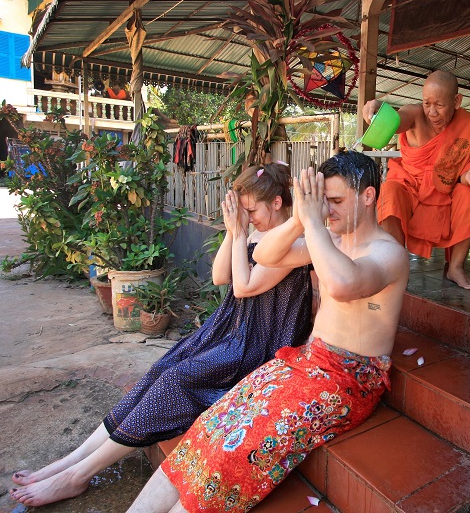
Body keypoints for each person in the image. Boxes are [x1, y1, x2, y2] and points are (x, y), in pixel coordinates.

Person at [10, 164, 313, 507]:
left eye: (252, 210)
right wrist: (233, 233)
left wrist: (240, 235)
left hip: (256, 344)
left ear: (276, 203)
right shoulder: (254, 233)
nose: (247, 217)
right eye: (242, 210)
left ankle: (77, 475)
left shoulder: (292, 244)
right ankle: (71, 462)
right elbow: (219, 277)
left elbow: (242, 288)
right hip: (230, 330)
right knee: (161, 369)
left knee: (174, 382)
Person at [125, 151, 409, 513]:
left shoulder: (389, 253)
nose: (329, 211)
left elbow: (342, 284)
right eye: (325, 202)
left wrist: (315, 226)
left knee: (240, 448)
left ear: (368, 197)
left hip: (348, 380)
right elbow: (267, 256)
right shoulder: (333, 240)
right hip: (308, 361)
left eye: (336, 201)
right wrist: (298, 223)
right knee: (212, 424)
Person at [362, 70, 470, 289]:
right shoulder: (415, 115)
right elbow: (397, 119)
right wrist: (378, 110)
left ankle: (456, 268)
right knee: (389, 192)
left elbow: (469, 170)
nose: (432, 112)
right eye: (427, 103)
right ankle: (395, 265)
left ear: (457, 101)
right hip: (410, 189)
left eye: (439, 105)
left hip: (447, 191)